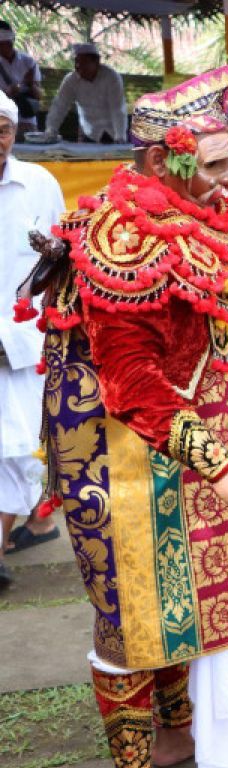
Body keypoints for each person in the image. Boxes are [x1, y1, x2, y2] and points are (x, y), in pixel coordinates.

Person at [28, 65, 228, 768]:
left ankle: (181, 729)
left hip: (195, 435)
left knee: (196, 597)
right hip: (114, 454)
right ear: (161, 161)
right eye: (215, 165)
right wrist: (220, 464)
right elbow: (132, 383)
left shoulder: (210, 212)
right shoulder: (123, 236)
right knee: (130, 615)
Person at [0, 94, 63, 592]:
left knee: (22, 451)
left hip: (23, 340)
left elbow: (57, 266)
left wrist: (20, 336)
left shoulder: (39, 184)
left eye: (2, 128)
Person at [44, 43, 126, 143]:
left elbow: (117, 109)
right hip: (89, 133)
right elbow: (59, 106)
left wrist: (120, 136)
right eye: (76, 62)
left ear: (96, 62)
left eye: (83, 63)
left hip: (113, 132)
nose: (78, 66)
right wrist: (51, 130)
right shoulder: (70, 80)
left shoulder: (111, 77)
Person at [0, 21, 43, 135]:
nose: (6, 47)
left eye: (8, 43)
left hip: (26, 119)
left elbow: (39, 96)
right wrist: (8, 93)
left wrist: (31, 84)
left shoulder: (28, 62)